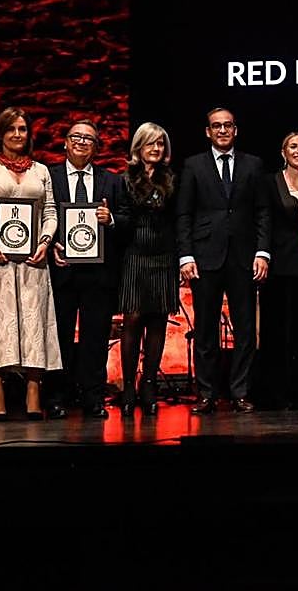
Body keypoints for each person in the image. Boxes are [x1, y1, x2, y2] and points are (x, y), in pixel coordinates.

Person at [0, 107, 61, 419]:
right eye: (11, 129)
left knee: (33, 320)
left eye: (22, 129)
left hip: (32, 260)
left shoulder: (40, 171)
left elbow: (50, 212)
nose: (17, 135)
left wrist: (45, 242)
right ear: (0, 133)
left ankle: (34, 389)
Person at [176, 107, 271, 414]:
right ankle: (206, 393)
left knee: (245, 330)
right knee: (205, 330)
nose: (222, 131)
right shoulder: (193, 165)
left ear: (235, 129)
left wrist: (262, 252)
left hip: (244, 258)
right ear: (208, 131)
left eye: (227, 125)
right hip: (204, 258)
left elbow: (262, 212)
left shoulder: (253, 164)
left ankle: (240, 392)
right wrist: (186, 255)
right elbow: (184, 214)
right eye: (216, 126)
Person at [46, 119, 119, 418]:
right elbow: (39, 216)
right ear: (65, 141)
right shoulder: (47, 177)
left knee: (95, 337)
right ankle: (56, 397)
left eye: (89, 138)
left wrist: (110, 218)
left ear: (97, 147)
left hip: (98, 273)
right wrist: (50, 245)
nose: (81, 142)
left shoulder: (112, 181)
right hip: (61, 269)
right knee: (58, 335)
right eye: (76, 136)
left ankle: (93, 397)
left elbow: (127, 220)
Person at [114, 123, 180, 417]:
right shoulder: (124, 180)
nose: (156, 149)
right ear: (138, 148)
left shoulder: (173, 180)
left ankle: (149, 384)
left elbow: (178, 219)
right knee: (133, 319)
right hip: (135, 255)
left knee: (157, 322)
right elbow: (123, 217)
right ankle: (128, 386)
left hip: (163, 256)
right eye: (150, 144)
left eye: (161, 144)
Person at [257, 132, 298, 410]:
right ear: (283, 152)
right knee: (276, 332)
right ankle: (275, 393)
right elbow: (264, 222)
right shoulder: (270, 182)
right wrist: (262, 256)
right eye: (293, 146)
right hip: (278, 267)